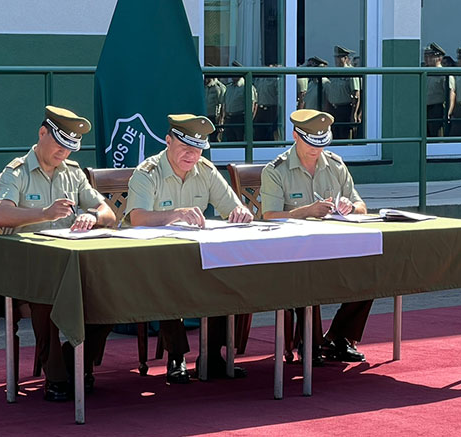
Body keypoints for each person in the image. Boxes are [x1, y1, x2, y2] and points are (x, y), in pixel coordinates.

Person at [0, 105, 117, 402]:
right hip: (28, 268)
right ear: (42, 133)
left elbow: (109, 214)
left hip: (69, 262)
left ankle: (78, 361)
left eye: (70, 147)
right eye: (59, 144)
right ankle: (57, 375)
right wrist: (44, 213)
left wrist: (92, 216)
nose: (64, 152)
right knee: (44, 298)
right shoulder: (17, 172)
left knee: (112, 292)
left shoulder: (73, 173)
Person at [125, 114, 254, 383]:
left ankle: (212, 355)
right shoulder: (147, 172)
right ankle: (176, 356)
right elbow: (137, 218)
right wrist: (176, 214)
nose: (192, 155)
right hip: (156, 258)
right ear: (168, 141)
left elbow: (232, 207)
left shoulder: (205, 170)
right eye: (185, 148)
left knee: (226, 276)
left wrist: (241, 212)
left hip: (197, 254)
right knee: (167, 281)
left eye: (197, 149)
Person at [260, 109, 372, 364]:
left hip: (335, 247)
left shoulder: (335, 165)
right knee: (310, 275)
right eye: (311, 143)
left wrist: (349, 207)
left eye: (321, 143)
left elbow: (362, 206)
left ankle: (339, 337)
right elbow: (269, 216)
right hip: (292, 255)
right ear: (295, 136)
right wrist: (306, 211)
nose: (316, 149)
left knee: (370, 272)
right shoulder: (276, 170)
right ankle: (310, 343)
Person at [324, 45, 361, 140]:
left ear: (345, 58)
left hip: (345, 109)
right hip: (334, 109)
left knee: (345, 136)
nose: (337, 60)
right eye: (336, 57)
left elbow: (356, 94)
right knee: (334, 137)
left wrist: (354, 114)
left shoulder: (350, 72)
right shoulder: (334, 72)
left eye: (339, 57)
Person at [423, 42, 455, 137]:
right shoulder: (425, 72)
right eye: (426, 56)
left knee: (436, 135)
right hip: (424, 108)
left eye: (430, 56)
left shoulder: (444, 74)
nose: (427, 59)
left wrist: (448, 113)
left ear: (439, 58)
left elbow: (451, 94)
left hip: (436, 109)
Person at [223, 60, 258, 142]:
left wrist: (248, 120)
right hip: (229, 118)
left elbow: (252, 105)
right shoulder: (229, 87)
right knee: (230, 141)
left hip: (239, 118)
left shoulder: (246, 86)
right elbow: (225, 103)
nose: (232, 75)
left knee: (240, 141)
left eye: (234, 72)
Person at [254, 63, 280, 141]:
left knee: (270, 134)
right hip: (260, 109)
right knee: (258, 134)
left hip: (271, 109)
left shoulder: (275, 79)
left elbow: (279, 95)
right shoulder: (259, 79)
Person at [204, 66, 226, 142]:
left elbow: (223, 104)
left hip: (214, 117)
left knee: (215, 138)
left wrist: (221, 119)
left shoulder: (219, 87)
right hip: (205, 116)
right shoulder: (204, 86)